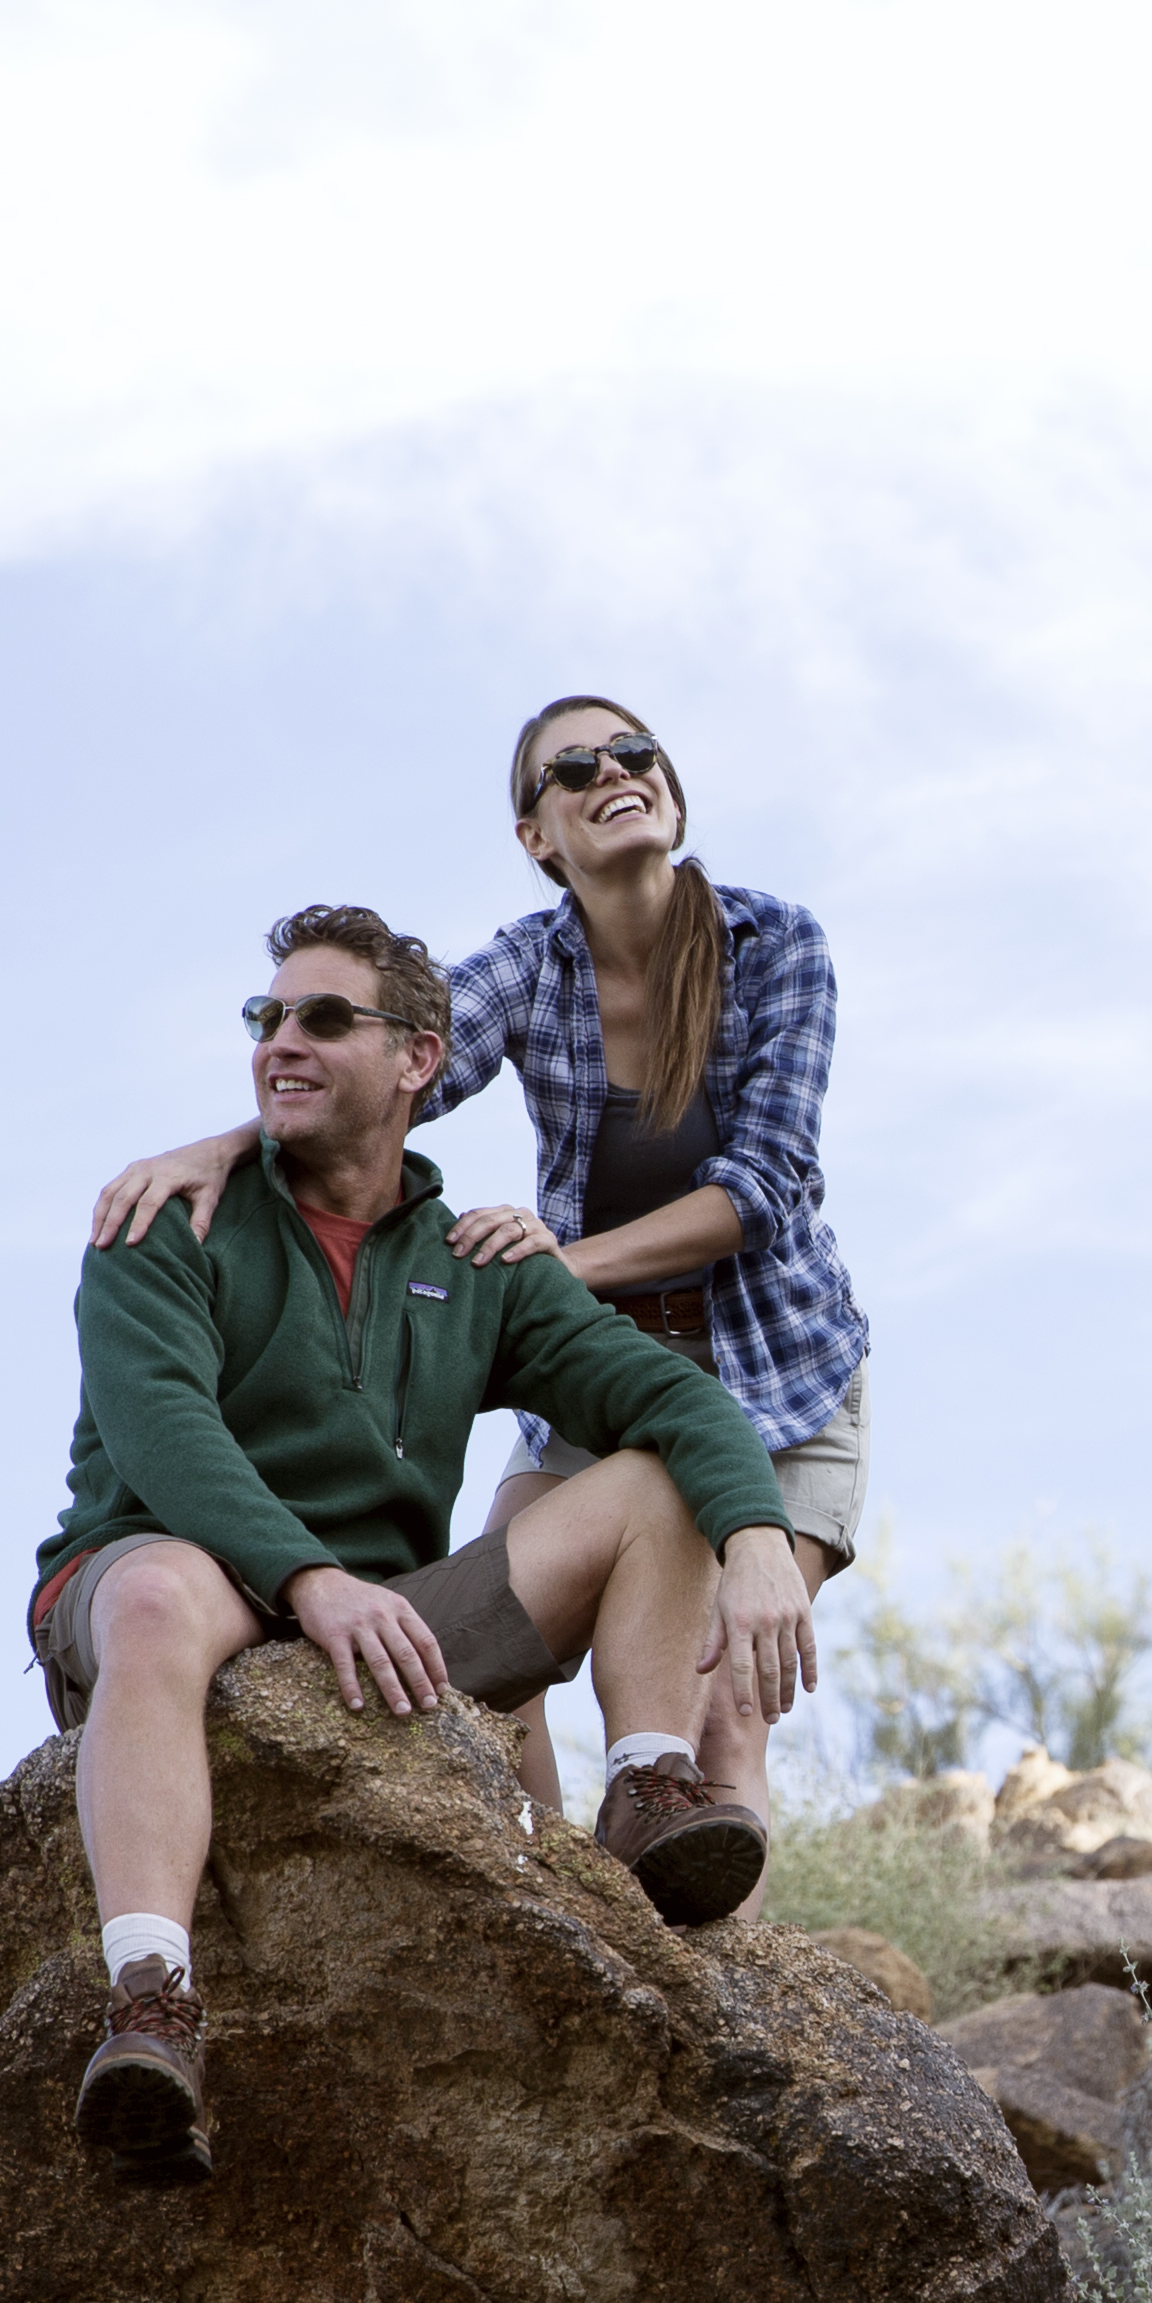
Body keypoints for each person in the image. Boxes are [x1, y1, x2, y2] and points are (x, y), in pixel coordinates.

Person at [35, 902, 817, 2187]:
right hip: (160, 1572)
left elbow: (674, 1400)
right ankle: (153, 2007)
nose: (281, 1042)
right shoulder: (164, 1216)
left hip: (383, 1621)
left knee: (656, 1479)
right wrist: (309, 1578)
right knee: (168, 1594)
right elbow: (162, 1433)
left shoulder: (479, 1263)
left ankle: (649, 1783)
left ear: (420, 1059)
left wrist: (759, 1534)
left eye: (323, 1019)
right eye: (267, 1017)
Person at [90, 698, 864, 1843]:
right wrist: (233, 1140)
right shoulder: (528, 968)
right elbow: (385, 1073)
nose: (615, 771)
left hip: (780, 1374)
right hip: (598, 1362)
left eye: (636, 753)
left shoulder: (776, 944)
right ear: (536, 835)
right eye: (575, 767)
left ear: (674, 791)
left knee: (724, 1709)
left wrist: (558, 1264)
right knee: (505, 1670)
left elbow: (761, 1189)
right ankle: (561, 1901)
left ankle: (710, 1968)